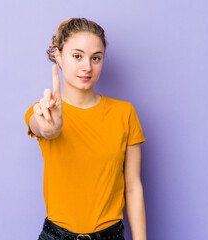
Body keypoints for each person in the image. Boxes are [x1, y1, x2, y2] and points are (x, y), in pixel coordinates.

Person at [24, 17, 147, 240]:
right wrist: (51, 128)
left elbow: (133, 187)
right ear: (59, 57)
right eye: (77, 56)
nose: (87, 67)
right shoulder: (44, 110)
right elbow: (42, 127)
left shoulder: (125, 113)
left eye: (96, 58)